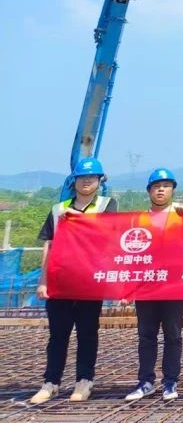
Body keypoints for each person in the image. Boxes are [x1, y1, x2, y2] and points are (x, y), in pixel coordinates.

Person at [29, 156, 118, 405]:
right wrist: (43, 281)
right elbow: (49, 246)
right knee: (58, 335)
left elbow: (109, 234)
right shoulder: (58, 209)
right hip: (61, 281)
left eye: (92, 177)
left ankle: (84, 381)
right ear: (74, 181)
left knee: (87, 333)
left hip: (90, 282)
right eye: (82, 177)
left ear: (99, 181)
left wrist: (78, 220)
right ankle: (51, 382)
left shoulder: (107, 205)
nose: (86, 181)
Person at [124, 168, 183, 402]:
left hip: (175, 285)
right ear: (149, 191)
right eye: (156, 186)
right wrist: (127, 287)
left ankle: (170, 381)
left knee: (173, 334)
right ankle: (145, 381)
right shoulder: (138, 219)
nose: (161, 190)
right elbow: (129, 253)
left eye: (166, 186)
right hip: (146, 285)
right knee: (146, 335)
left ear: (173, 190)